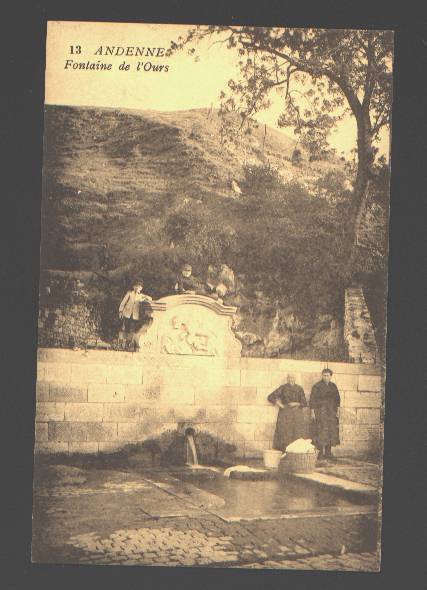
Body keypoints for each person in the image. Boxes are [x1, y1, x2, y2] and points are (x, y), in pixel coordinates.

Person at [267, 374, 309, 452]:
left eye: (292, 378)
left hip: (297, 414)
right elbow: (270, 397)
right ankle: (283, 452)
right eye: (289, 378)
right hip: (285, 414)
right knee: (284, 433)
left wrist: (296, 403)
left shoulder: (299, 388)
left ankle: (295, 453)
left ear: (295, 379)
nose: (291, 379)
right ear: (287, 379)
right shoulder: (283, 388)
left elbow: (304, 403)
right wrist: (280, 405)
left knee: (297, 433)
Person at [310, 368, 341, 460]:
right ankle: (320, 453)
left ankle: (328, 452)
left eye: (327, 375)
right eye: (324, 375)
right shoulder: (317, 386)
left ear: (331, 376)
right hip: (321, 412)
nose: (325, 377)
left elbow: (337, 399)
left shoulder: (333, 386)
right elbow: (312, 400)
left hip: (331, 412)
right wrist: (312, 412)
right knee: (320, 431)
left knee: (331, 431)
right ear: (322, 376)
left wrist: (338, 411)